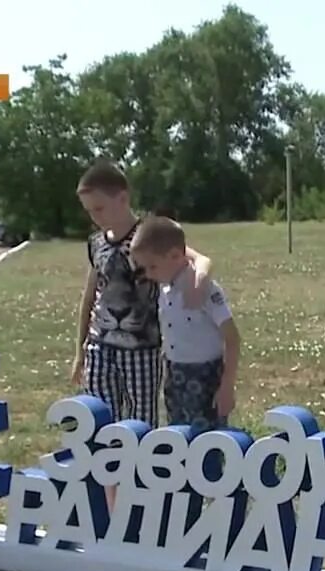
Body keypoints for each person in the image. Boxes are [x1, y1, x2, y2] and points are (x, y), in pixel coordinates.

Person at [71, 159, 215, 443]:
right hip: (100, 346)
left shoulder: (149, 236)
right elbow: (90, 296)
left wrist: (199, 281)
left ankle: (139, 481)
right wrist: (80, 350)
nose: (94, 217)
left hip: (142, 348)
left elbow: (200, 259)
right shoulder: (96, 243)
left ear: (122, 198)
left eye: (98, 208)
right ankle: (107, 480)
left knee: (141, 422)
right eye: (89, 211)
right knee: (99, 418)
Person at [129, 216, 240, 435]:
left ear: (175, 256)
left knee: (206, 440)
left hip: (205, 377)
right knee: (178, 435)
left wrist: (227, 386)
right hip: (174, 371)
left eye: (152, 267)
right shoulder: (166, 283)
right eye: (144, 268)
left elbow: (233, 338)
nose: (148, 275)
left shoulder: (204, 289)